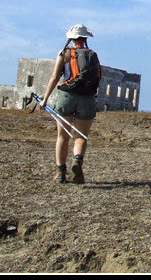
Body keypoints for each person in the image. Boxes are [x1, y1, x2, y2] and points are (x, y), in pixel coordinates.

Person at [40, 24, 101, 184]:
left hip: (66, 97)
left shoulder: (64, 54)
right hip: (87, 98)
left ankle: (60, 173)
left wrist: (45, 99)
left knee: (63, 137)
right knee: (81, 136)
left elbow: (54, 77)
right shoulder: (92, 55)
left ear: (72, 38)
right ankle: (77, 160)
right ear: (85, 38)